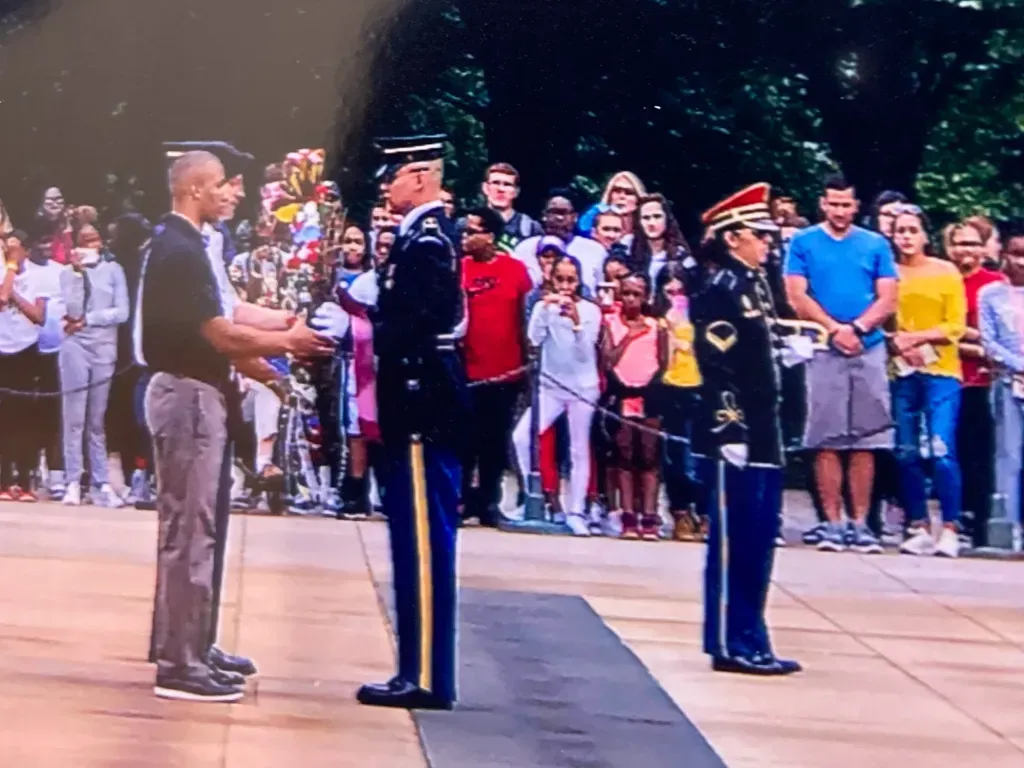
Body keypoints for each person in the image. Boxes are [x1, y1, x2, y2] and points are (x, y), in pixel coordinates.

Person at [136, 150, 333, 703]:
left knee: (199, 528)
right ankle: (181, 662)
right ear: (196, 189)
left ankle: (191, 641)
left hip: (200, 392)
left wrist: (282, 326)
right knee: (191, 531)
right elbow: (220, 334)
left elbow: (233, 312)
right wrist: (288, 343)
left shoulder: (189, 245)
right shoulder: (180, 250)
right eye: (223, 184)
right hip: (189, 393)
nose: (233, 193)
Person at [349, 134, 467, 711]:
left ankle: (423, 674)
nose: (384, 186)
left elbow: (415, 328)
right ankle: (418, 667)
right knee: (415, 541)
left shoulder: (424, 243)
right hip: (417, 406)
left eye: (392, 176)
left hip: (420, 407)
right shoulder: (422, 239)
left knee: (421, 544)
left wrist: (361, 319)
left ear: (419, 178)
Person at [692, 183, 802, 676]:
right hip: (738, 434)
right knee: (735, 541)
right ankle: (729, 640)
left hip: (765, 433)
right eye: (758, 234)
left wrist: (784, 355)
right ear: (733, 237)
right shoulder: (722, 291)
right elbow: (718, 369)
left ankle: (752, 636)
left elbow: (754, 354)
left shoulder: (756, 285)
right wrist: (728, 428)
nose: (768, 242)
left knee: (758, 541)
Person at [783, 174, 898, 554]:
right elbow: (796, 295)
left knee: (867, 437)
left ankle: (860, 523)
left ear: (856, 206)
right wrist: (834, 329)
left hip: (868, 345)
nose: (839, 211)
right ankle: (832, 523)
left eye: (846, 204)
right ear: (822, 203)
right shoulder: (803, 242)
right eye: (833, 204)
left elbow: (888, 296)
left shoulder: (875, 244)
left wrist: (859, 328)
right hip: (822, 345)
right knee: (826, 436)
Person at [888, 206, 966, 557]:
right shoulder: (888, 272)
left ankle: (950, 526)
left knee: (941, 449)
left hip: (942, 371)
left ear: (924, 235)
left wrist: (917, 338)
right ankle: (917, 522)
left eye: (912, 230)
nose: (905, 236)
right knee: (905, 452)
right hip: (901, 369)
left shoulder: (945, 271)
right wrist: (897, 341)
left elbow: (955, 325)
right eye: (900, 230)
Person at [512, 254, 601, 536]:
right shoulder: (544, 306)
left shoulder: (590, 311)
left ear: (579, 282)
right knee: (521, 436)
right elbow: (534, 339)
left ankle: (577, 510)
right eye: (560, 279)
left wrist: (575, 321)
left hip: (582, 388)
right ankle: (535, 496)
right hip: (551, 386)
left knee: (578, 448)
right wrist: (543, 309)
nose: (565, 286)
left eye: (570, 280)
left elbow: (585, 350)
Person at [460, 206, 531, 526]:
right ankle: (461, 500)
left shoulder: (515, 270)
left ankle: (489, 502)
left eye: (472, 231)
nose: (465, 236)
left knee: (495, 441)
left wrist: (526, 363)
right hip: (467, 372)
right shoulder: (458, 269)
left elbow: (524, 318)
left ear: (489, 236)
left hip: (506, 371)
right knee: (465, 441)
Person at [59, 224, 130, 507]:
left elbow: (121, 312)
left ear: (101, 242)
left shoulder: (115, 271)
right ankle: (73, 481)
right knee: (73, 417)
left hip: (103, 347)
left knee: (96, 420)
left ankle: (101, 482)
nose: (89, 244)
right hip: (75, 347)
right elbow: (73, 310)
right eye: (83, 240)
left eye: (93, 239)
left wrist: (91, 319)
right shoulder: (67, 273)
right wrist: (77, 274)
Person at [978, 221, 1024, 550]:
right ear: (1005, 254)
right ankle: (1007, 525)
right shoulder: (990, 294)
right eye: (1017, 254)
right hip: (1009, 381)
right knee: (1009, 453)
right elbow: (988, 341)